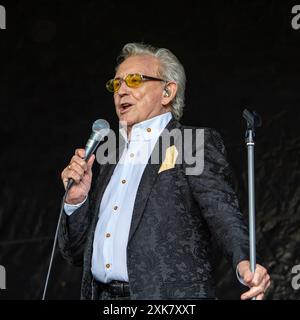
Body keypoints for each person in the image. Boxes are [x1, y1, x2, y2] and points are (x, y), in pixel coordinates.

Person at [58, 42, 270, 300]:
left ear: (168, 91)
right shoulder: (109, 156)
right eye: (116, 84)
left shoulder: (190, 143)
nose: (121, 90)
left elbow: (222, 212)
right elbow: (76, 252)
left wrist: (244, 262)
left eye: (134, 80)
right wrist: (76, 201)